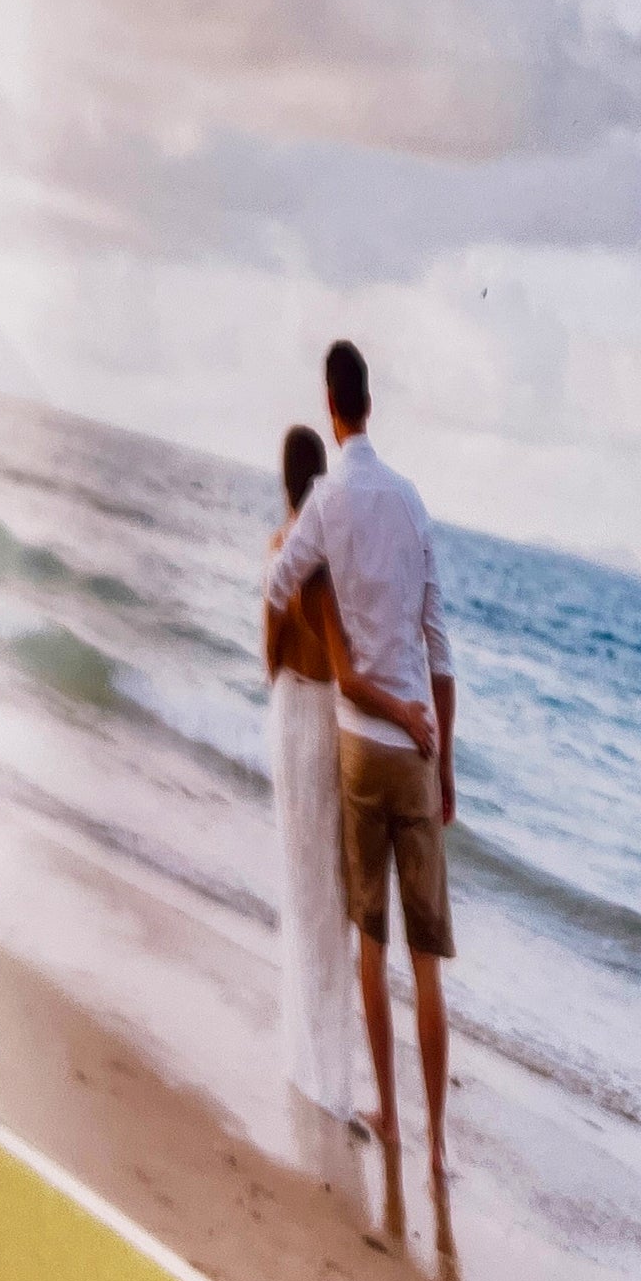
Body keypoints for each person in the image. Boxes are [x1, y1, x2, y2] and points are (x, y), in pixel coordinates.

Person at [263, 339, 459, 1188]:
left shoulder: (328, 503)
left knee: (368, 941)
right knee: (426, 956)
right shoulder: (412, 504)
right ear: (370, 401)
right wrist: (443, 759)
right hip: (415, 752)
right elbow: (439, 646)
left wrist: (315, 591)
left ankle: (375, 1105)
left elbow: (279, 593)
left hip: (352, 744)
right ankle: (437, 1140)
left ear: (330, 400)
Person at [260, 425, 360, 1119]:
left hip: (286, 712)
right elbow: (345, 659)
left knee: (302, 887)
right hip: (321, 720)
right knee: (329, 894)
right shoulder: (325, 562)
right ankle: (330, 1077)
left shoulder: (279, 550)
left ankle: (305, 1060)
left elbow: (269, 650)